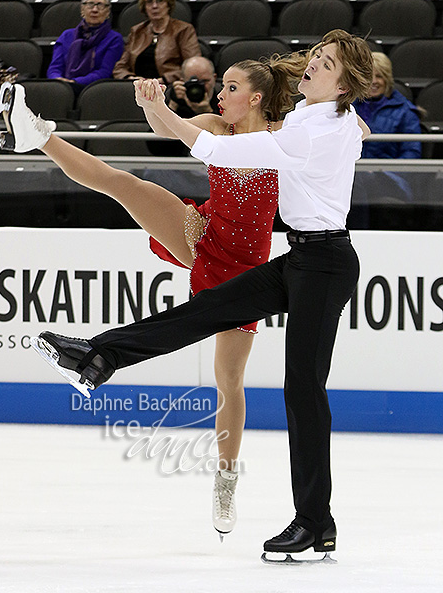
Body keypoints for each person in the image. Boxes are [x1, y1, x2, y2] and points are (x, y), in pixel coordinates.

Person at [23, 28, 373, 561]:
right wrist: (159, 110)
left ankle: (315, 522)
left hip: (324, 265)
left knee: (303, 389)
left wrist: (159, 109)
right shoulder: (314, 118)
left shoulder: (308, 132)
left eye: (325, 64)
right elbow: (341, 122)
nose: (312, 65)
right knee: (207, 309)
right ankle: (101, 354)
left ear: (343, 84)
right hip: (302, 259)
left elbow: (211, 145)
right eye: (315, 57)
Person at [0, 52, 308, 540]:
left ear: (256, 98)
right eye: (221, 87)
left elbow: (346, 137)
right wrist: (151, 102)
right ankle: (38, 135)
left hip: (246, 270)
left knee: (229, 380)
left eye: (229, 87)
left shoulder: (284, 137)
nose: (219, 95)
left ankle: (225, 480)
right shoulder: (215, 129)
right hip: (202, 232)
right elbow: (168, 128)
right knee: (124, 185)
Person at [112, 0, 200, 85]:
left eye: (160, 1)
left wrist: (163, 80)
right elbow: (120, 68)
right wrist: (131, 78)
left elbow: (193, 66)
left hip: (169, 86)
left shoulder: (184, 30)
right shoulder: (137, 31)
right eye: (149, 2)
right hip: (138, 88)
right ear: (144, 7)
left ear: (168, 5)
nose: (154, 6)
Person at [46, 0, 124, 95]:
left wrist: (75, 82)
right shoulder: (66, 36)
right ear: (82, 9)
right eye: (90, 4)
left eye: (100, 5)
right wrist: (58, 80)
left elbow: (105, 72)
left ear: (107, 11)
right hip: (62, 90)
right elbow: (54, 67)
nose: (95, 10)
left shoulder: (114, 39)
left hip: (95, 91)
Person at [353, 52, 421, 159]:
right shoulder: (349, 107)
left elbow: (411, 153)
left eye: (379, 76)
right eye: (369, 77)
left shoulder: (405, 112)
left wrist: (384, 174)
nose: (374, 81)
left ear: (387, 79)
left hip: (385, 174)